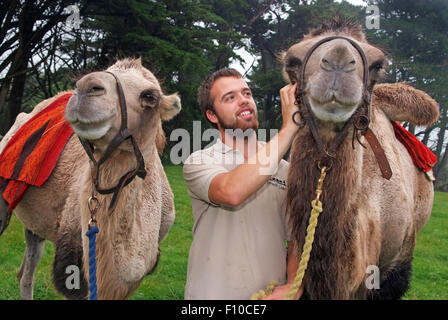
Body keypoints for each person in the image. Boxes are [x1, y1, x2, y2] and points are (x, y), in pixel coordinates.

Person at [183, 68, 303, 300]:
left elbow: (298, 237)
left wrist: (293, 285)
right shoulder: (199, 161)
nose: (243, 100)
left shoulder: (286, 170)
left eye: (246, 93)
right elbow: (232, 192)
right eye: (230, 97)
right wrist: (289, 128)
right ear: (212, 115)